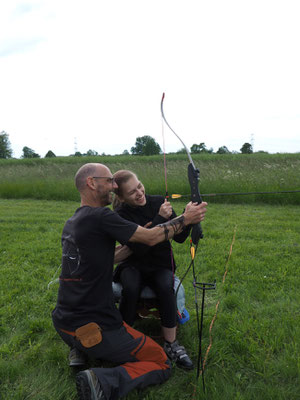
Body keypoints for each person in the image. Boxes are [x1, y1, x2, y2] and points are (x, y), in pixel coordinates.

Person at [51, 163, 208, 400]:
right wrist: (185, 219)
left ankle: (80, 350)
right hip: (95, 328)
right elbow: (152, 236)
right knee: (161, 361)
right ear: (92, 183)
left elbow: (113, 255)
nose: (114, 186)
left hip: (63, 323)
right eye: (109, 181)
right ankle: (102, 382)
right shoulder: (101, 215)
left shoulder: (75, 221)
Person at [112, 170, 195, 370]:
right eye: (132, 192)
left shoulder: (159, 201)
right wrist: (159, 219)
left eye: (139, 186)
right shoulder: (121, 215)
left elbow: (180, 238)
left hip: (160, 264)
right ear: (122, 197)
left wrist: (189, 218)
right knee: (130, 287)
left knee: (165, 287)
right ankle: (123, 341)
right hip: (133, 264)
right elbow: (138, 248)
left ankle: (171, 344)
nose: (139, 193)